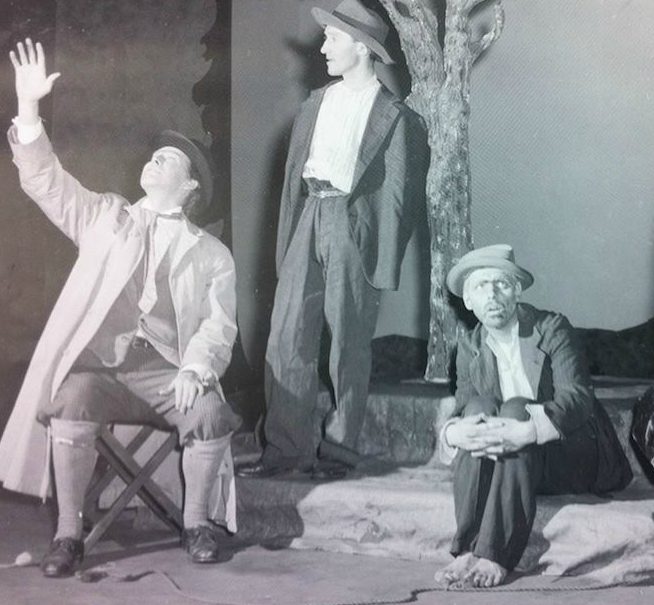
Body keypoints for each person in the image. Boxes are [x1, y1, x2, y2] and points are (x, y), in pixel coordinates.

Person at [0, 39, 241, 577]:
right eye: (154, 155)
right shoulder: (106, 218)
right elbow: (46, 183)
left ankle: (197, 523)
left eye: (168, 159)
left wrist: (196, 368)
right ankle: (68, 535)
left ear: (192, 185)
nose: (153, 161)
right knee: (70, 398)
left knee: (207, 411)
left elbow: (218, 326)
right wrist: (29, 107)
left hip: (165, 374)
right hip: (104, 371)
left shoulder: (212, 255)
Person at [238, 0, 428, 480]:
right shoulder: (314, 104)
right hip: (310, 216)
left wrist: (382, 262)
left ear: (362, 48)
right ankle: (287, 449)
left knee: (348, 342)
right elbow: (290, 180)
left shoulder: (396, 118)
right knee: (286, 337)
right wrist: (293, 235)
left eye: (333, 39)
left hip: (352, 225)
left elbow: (399, 200)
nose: (323, 48)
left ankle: (340, 450)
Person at [434, 244, 632, 588]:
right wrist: (454, 432)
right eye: (481, 286)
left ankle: (496, 554)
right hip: (510, 463)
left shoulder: (552, 327)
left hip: (568, 455)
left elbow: (578, 397)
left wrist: (527, 431)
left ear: (518, 291)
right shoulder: (468, 346)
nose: (493, 295)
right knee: (478, 411)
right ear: (468, 301)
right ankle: (467, 547)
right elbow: (465, 405)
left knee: (517, 408)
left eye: (502, 284)